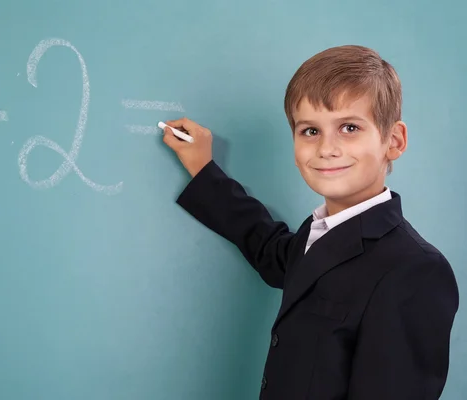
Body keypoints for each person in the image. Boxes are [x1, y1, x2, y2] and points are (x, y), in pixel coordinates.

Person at [161, 45, 460, 399]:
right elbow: (267, 246)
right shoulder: (316, 237)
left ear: (393, 141)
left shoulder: (414, 269)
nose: (326, 148)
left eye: (349, 127)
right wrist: (203, 169)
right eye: (310, 131)